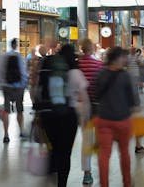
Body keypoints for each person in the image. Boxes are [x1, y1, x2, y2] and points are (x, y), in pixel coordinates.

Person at [37, 44, 89, 187]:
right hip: (68, 116)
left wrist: (38, 113)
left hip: (48, 114)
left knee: (54, 148)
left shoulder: (49, 67)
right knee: (65, 153)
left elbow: (37, 89)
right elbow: (84, 98)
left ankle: (51, 173)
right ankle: (62, 183)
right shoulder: (75, 73)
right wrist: (86, 117)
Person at [95, 47, 138, 187]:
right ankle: (127, 183)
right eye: (124, 57)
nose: (126, 59)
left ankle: (104, 184)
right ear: (118, 58)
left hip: (103, 119)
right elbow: (133, 100)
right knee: (124, 152)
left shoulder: (100, 73)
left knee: (104, 155)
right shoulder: (125, 76)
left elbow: (95, 94)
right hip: (122, 119)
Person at [77, 38, 103, 185]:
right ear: (92, 49)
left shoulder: (77, 64)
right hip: (97, 105)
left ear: (81, 49)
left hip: (82, 106)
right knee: (100, 138)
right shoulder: (98, 64)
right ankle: (101, 164)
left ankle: (87, 173)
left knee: (86, 139)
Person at [0, 38, 28, 143]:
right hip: (18, 87)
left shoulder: (3, 57)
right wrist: (24, 85)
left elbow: (0, 72)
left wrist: (2, 85)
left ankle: (6, 134)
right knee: (20, 110)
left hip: (6, 87)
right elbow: (23, 72)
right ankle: (21, 131)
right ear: (16, 45)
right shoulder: (19, 57)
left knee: (6, 111)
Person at [127, 47, 144, 155]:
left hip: (134, 87)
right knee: (137, 117)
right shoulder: (131, 60)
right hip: (133, 91)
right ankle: (138, 145)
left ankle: (138, 145)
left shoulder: (133, 60)